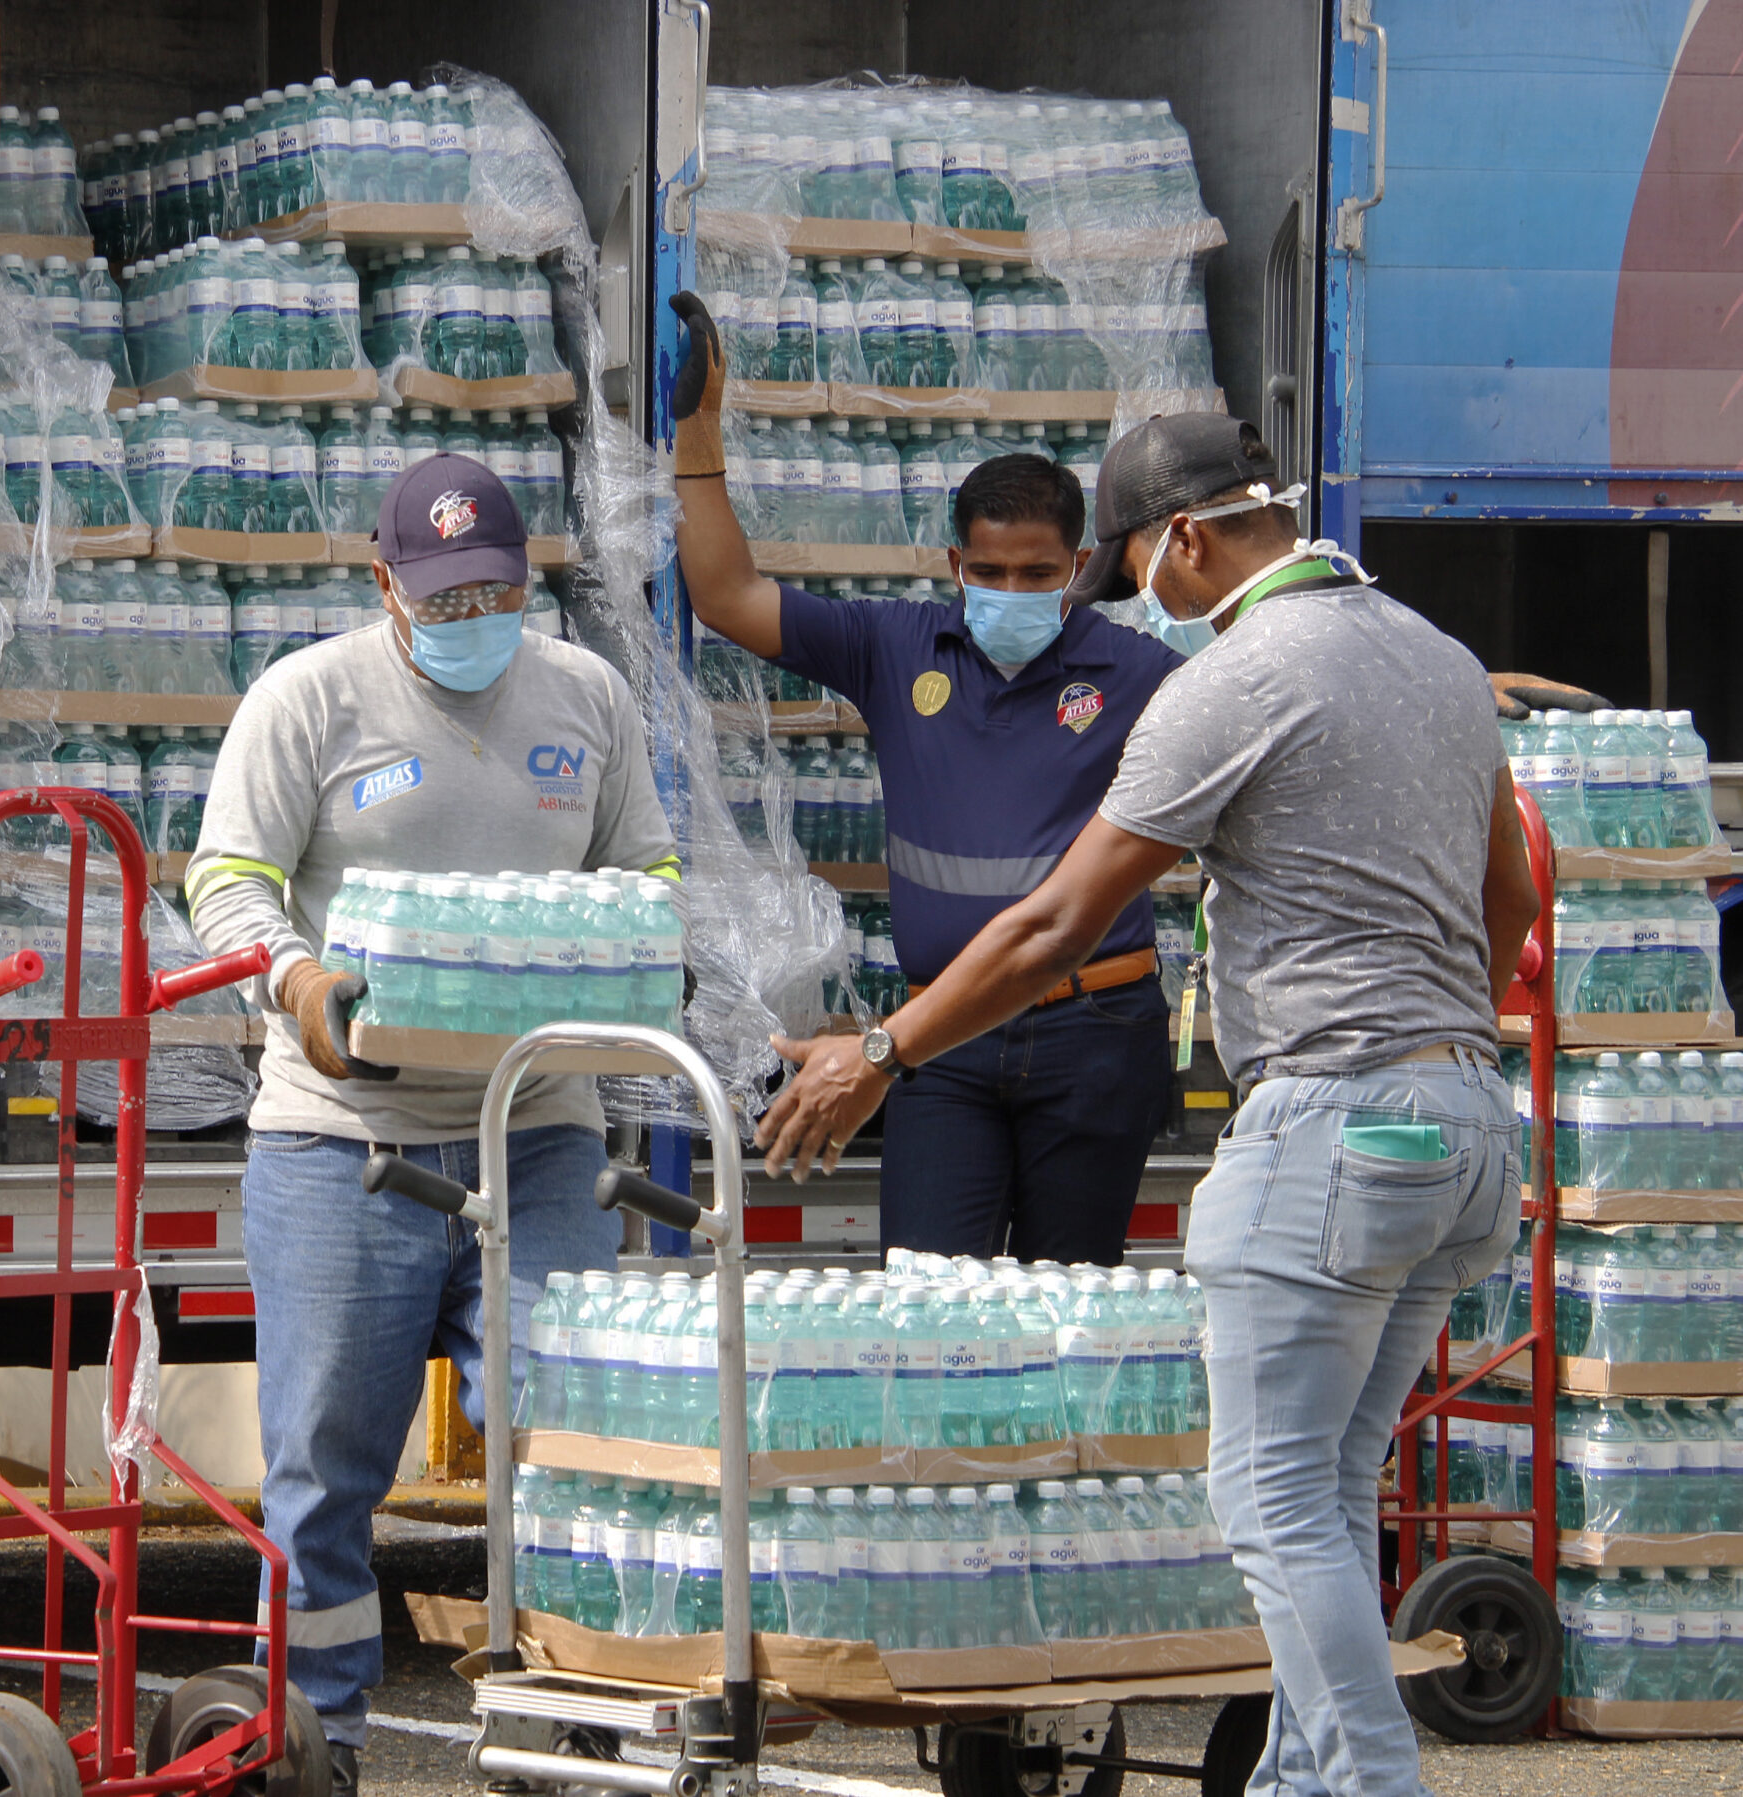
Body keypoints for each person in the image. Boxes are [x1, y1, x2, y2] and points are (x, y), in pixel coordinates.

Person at [754, 411, 1541, 1797]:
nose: (1145, 606)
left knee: (1271, 1498)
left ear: (1187, 537)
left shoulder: (1237, 681)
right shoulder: (1440, 657)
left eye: (1136, 570)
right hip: (1469, 1122)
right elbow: (1513, 900)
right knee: (1335, 1488)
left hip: (1335, 1129)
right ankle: (1306, 1782)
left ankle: (1367, 1785)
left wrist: (883, 1053)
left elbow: (1055, 921)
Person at [185, 454, 680, 1795]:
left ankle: (568, 1725)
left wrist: (647, 951)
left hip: (542, 1131)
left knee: (580, 1435)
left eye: (504, 591)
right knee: (329, 1461)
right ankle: (317, 1741)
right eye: (450, 596)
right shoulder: (308, 700)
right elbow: (225, 878)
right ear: (385, 581)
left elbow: (642, 868)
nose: (479, 618)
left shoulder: (586, 697)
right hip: (346, 1140)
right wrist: (292, 975)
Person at [667, 290, 1184, 1262]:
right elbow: (727, 596)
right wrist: (696, 433)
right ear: (956, 561)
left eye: (1038, 575)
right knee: (923, 1296)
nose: (1012, 592)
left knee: (1066, 1319)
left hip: (1096, 1031)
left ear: (1076, 568)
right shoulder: (894, 647)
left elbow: (1265, 713)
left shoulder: (1141, 674)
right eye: (990, 572)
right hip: (937, 1034)